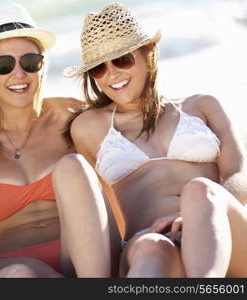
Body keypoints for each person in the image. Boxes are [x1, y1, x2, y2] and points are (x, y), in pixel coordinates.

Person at [65, 2, 247, 277]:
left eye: (122, 59)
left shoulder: (202, 106)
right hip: (150, 237)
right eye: (98, 68)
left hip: (223, 231)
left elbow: (239, 175)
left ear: (149, 52)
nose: (112, 73)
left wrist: (193, 217)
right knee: (150, 247)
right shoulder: (88, 128)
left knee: (199, 190)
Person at [0, 2, 121, 277]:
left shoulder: (72, 116)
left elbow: (114, 183)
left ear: (42, 66)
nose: (19, 74)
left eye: (30, 62)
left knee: (72, 165)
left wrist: (129, 241)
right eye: (3, 65)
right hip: (15, 266)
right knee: (17, 276)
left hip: (88, 257)